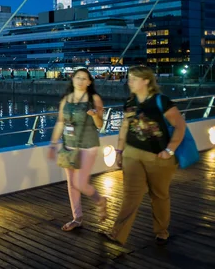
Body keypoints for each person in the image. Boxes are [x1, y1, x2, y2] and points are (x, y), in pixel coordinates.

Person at [106, 66, 185, 245]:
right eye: (129, 78)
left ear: (146, 81)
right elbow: (125, 128)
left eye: (133, 78)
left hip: (158, 156)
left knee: (159, 195)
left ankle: (161, 231)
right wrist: (119, 151)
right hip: (132, 154)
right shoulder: (130, 102)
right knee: (130, 195)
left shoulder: (161, 101)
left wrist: (169, 150)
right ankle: (117, 234)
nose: (129, 82)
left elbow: (180, 126)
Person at [48, 68, 108, 231]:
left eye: (84, 78)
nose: (80, 81)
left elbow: (100, 125)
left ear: (89, 82)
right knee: (72, 184)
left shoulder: (94, 98)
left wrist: (95, 115)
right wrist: (53, 144)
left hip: (88, 144)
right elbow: (60, 122)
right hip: (69, 145)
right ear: (72, 79)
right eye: (78, 77)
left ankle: (100, 200)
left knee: (80, 183)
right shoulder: (66, 99)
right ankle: (77, 218)